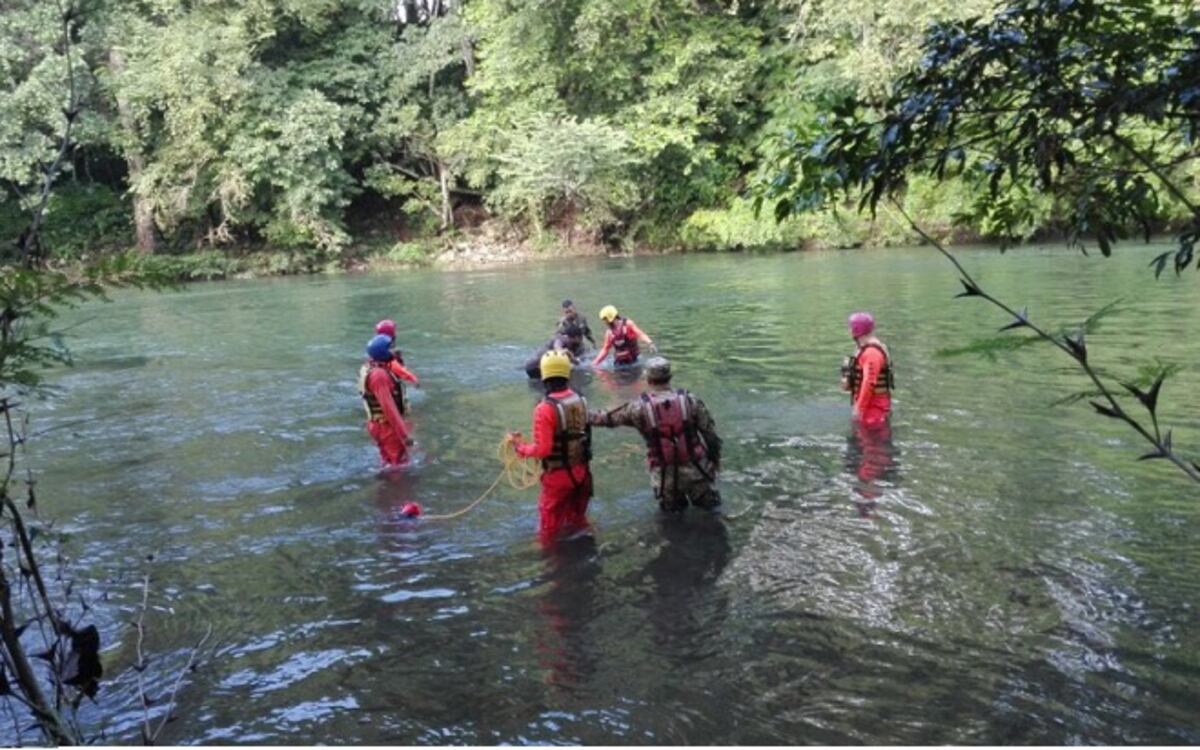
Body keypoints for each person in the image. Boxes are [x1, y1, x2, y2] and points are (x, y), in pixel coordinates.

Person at [589, 356, 722, 513]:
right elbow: (711, 436)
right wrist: (714, 460)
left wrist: (574, 411)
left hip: (664, 477)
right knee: (712, 513)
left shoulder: (638, 408)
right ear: (670, 377)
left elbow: (606, 419)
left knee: (672, 520)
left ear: (648, 379)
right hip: (697, 471)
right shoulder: (690, 401)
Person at [509, 350, 595, 546]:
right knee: (578, 520)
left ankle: (553, 571)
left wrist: (519, 447)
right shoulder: (581, 400)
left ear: (544, 377)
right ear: (567, 374)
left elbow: (543, 450)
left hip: (558, 478)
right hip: (582, 473)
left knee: (549, 529)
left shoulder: (544, 408)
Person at [359, 334, 414, 469]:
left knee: (388, 462)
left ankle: (385, 485)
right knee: (398, 465)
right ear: (382, 352)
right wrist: (404, 434)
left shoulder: (370, 367)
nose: (393, 351)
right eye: (390, 348)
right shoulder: (379, 376)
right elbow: (388, 407)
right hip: (386, 427)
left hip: (378, 425)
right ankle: (396, 488)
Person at [841, 311, 893, 428]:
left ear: (856, 330)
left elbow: (869, 382)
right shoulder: (863, 349)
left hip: (874, 411)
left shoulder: (871, 353)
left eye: (851, 328)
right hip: (869, 408)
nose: (849, 331)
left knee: (870, 444)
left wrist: (859, 408)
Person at [591, 305, 655, 368]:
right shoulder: (609, 333)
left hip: (634, 362)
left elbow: (640, 334)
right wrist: (595, 363)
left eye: (605, 319)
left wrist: (650, 343)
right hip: (619, 364)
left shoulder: (628, 324)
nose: (605, 322)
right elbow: (605, 349)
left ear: (611, 318)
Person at [375, 319, 420, 387]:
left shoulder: (376, 345)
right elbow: (394, 365)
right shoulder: (388, 351)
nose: (396, 334)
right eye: (394, 331)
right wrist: (413, 379)